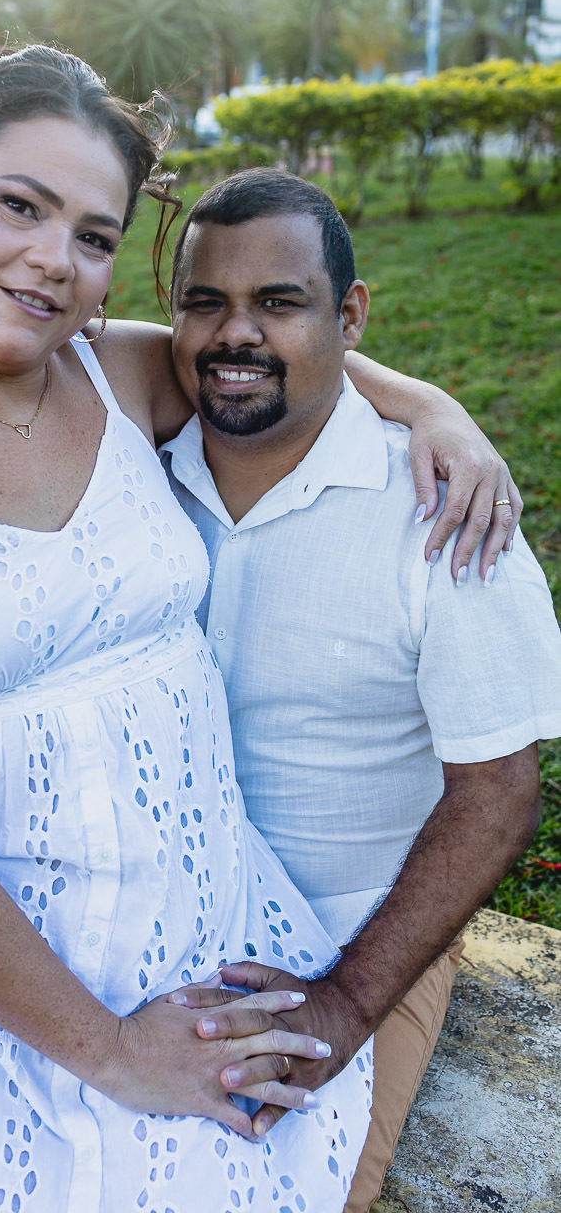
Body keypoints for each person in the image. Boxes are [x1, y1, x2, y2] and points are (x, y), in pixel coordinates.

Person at [0, 45, 520, 1212]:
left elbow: (262, 349)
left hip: (197, 916)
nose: (57, 261)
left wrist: (432, 408)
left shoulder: (116, 373)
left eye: (93, 236)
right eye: (21, 207)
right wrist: (106, 1050)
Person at [156, 168, 561, 1212]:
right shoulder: (128, 474)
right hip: (151, 909)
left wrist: (342, 1002)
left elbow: (495, 796)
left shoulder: (441, 514)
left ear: (349, 315)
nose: (232, 333)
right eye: (205, 301)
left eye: (278, 302)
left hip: (347, 931)